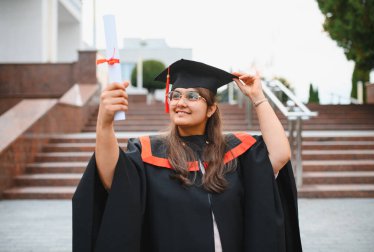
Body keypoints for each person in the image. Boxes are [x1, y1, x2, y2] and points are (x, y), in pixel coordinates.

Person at [72, 59, 302, 252]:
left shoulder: (235, 150)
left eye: (192, 96)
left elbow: (280, 155)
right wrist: (104, 123)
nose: (180, 102)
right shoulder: (149, 151)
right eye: (175, 95)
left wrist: (258, 98)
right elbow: (113, 178)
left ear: (211, 109)